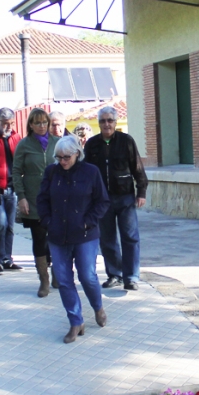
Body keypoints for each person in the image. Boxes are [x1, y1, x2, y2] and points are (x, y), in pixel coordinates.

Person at [37, 135, 110, 343]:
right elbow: (42, 199)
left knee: (87, 275)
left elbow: (102, 202)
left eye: (66, 157)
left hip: (85, 234)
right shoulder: (52, 172)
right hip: (58, 234)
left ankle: (97, 307)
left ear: (77, 153)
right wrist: (48, 221)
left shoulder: (91, 172)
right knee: (64, 279)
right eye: (58, 157)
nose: (62, 161)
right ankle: (76, 321)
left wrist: (88, 221)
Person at [84, 106, 148, 291]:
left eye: (110, 120)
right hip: (102, 200)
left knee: (130, 237)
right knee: (107, 239)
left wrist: (141, 191)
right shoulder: (92, 144)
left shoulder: (126, 141)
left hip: (125, 197)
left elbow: (137, 166)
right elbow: (87, 172)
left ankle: (131, 277)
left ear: (115, 122)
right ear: (99, 123)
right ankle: (114, 274)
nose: (106, 124)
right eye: (103, 121)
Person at [12, 108, 59, 297]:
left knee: (57, 237)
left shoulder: (58, 143)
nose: (42, 126)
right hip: (33, 197)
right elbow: (16, 172)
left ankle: (59, 273)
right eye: (37, 123)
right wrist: (21, 197)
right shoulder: (24, 145)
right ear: (30, 125)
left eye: (44, 122)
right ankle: (44, 280)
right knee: (39, 238)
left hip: (57, 197)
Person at [0, 108, 23, 274]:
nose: (8, 126)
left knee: (10, 226)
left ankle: (7, 258)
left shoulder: (16, 137)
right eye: (5, 123)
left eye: (11, 123)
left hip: (12, 187)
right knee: (0, 224)